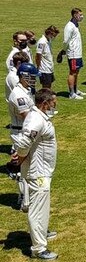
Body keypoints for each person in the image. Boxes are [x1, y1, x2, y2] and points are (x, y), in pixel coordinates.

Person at [13, 88, 59, 260]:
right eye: (53, 102)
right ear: (45, 103)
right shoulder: (35, 120)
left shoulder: (40, 117)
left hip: (43, 171)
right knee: (37, 210)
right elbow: (24, 143)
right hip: (37, 172)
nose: (55, 105)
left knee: (43, 206)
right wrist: (20, 160)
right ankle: (39, 249)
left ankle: (42, 232)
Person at [8, 63, 39, 212]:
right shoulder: (18, 94)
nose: (34, 80)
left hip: (25, 131)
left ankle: (26, 197)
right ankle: (24, 200)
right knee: (23, 167)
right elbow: (26, 116)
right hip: (21, 133)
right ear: (23, 76)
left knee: (28, 165)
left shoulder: (26, 90)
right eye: (31, 77)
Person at [61, 8, 86, 100]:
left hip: (78, 53)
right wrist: (64, 50)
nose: (82, 16)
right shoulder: (69, 26)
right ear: (75, 15)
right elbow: (66, 41)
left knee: (77, 72)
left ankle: (75, 90)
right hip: (73, 54)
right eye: (80, 15)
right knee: (72, 72)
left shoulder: (76, 25)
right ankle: (71, 93)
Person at [35, 26, 59, 90]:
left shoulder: (48, 40)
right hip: (44, 69)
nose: (54, 37)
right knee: (46, 87)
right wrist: (38, 67)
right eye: (53, 35)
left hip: (49, 67)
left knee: (49, 85)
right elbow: (38, 55)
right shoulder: (42, 42)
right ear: (49, 33)